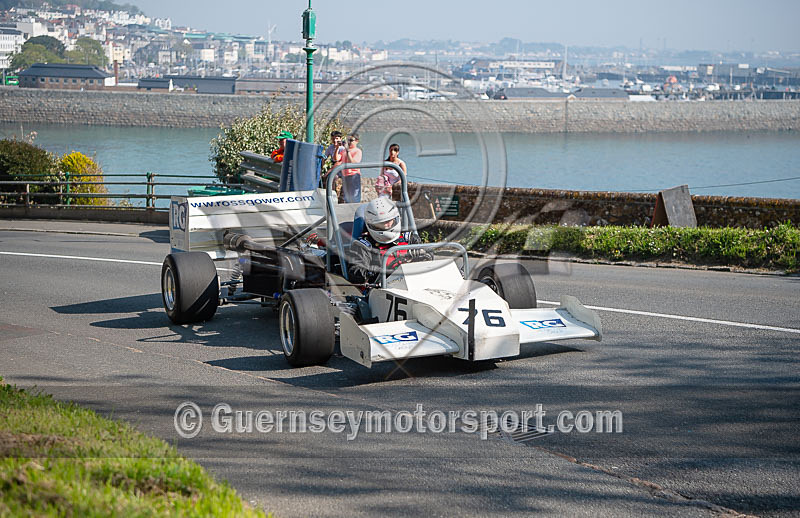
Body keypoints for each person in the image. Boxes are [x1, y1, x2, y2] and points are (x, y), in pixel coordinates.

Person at [348, 197, 421, 285]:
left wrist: (421, 255)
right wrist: (375, 270)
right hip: (381, 290)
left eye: (389, 221)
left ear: (396, 218)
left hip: (413, 283)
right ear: (371, 224)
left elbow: (428, 260)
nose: (386, 226)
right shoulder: (363, 245)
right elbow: (356, 273)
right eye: (381, 223)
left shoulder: (409, 239)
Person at [337, 133, 362, 203]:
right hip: (345, 176)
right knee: (346, 197)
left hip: (353, 175)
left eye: (351, 140)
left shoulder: (358, 151)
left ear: (357, 141)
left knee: (354, 197)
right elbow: (336, 159)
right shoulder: (343, 151)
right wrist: (336, 147)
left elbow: (353, 162)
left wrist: (348, 151)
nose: (349, 142)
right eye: (348, 140)